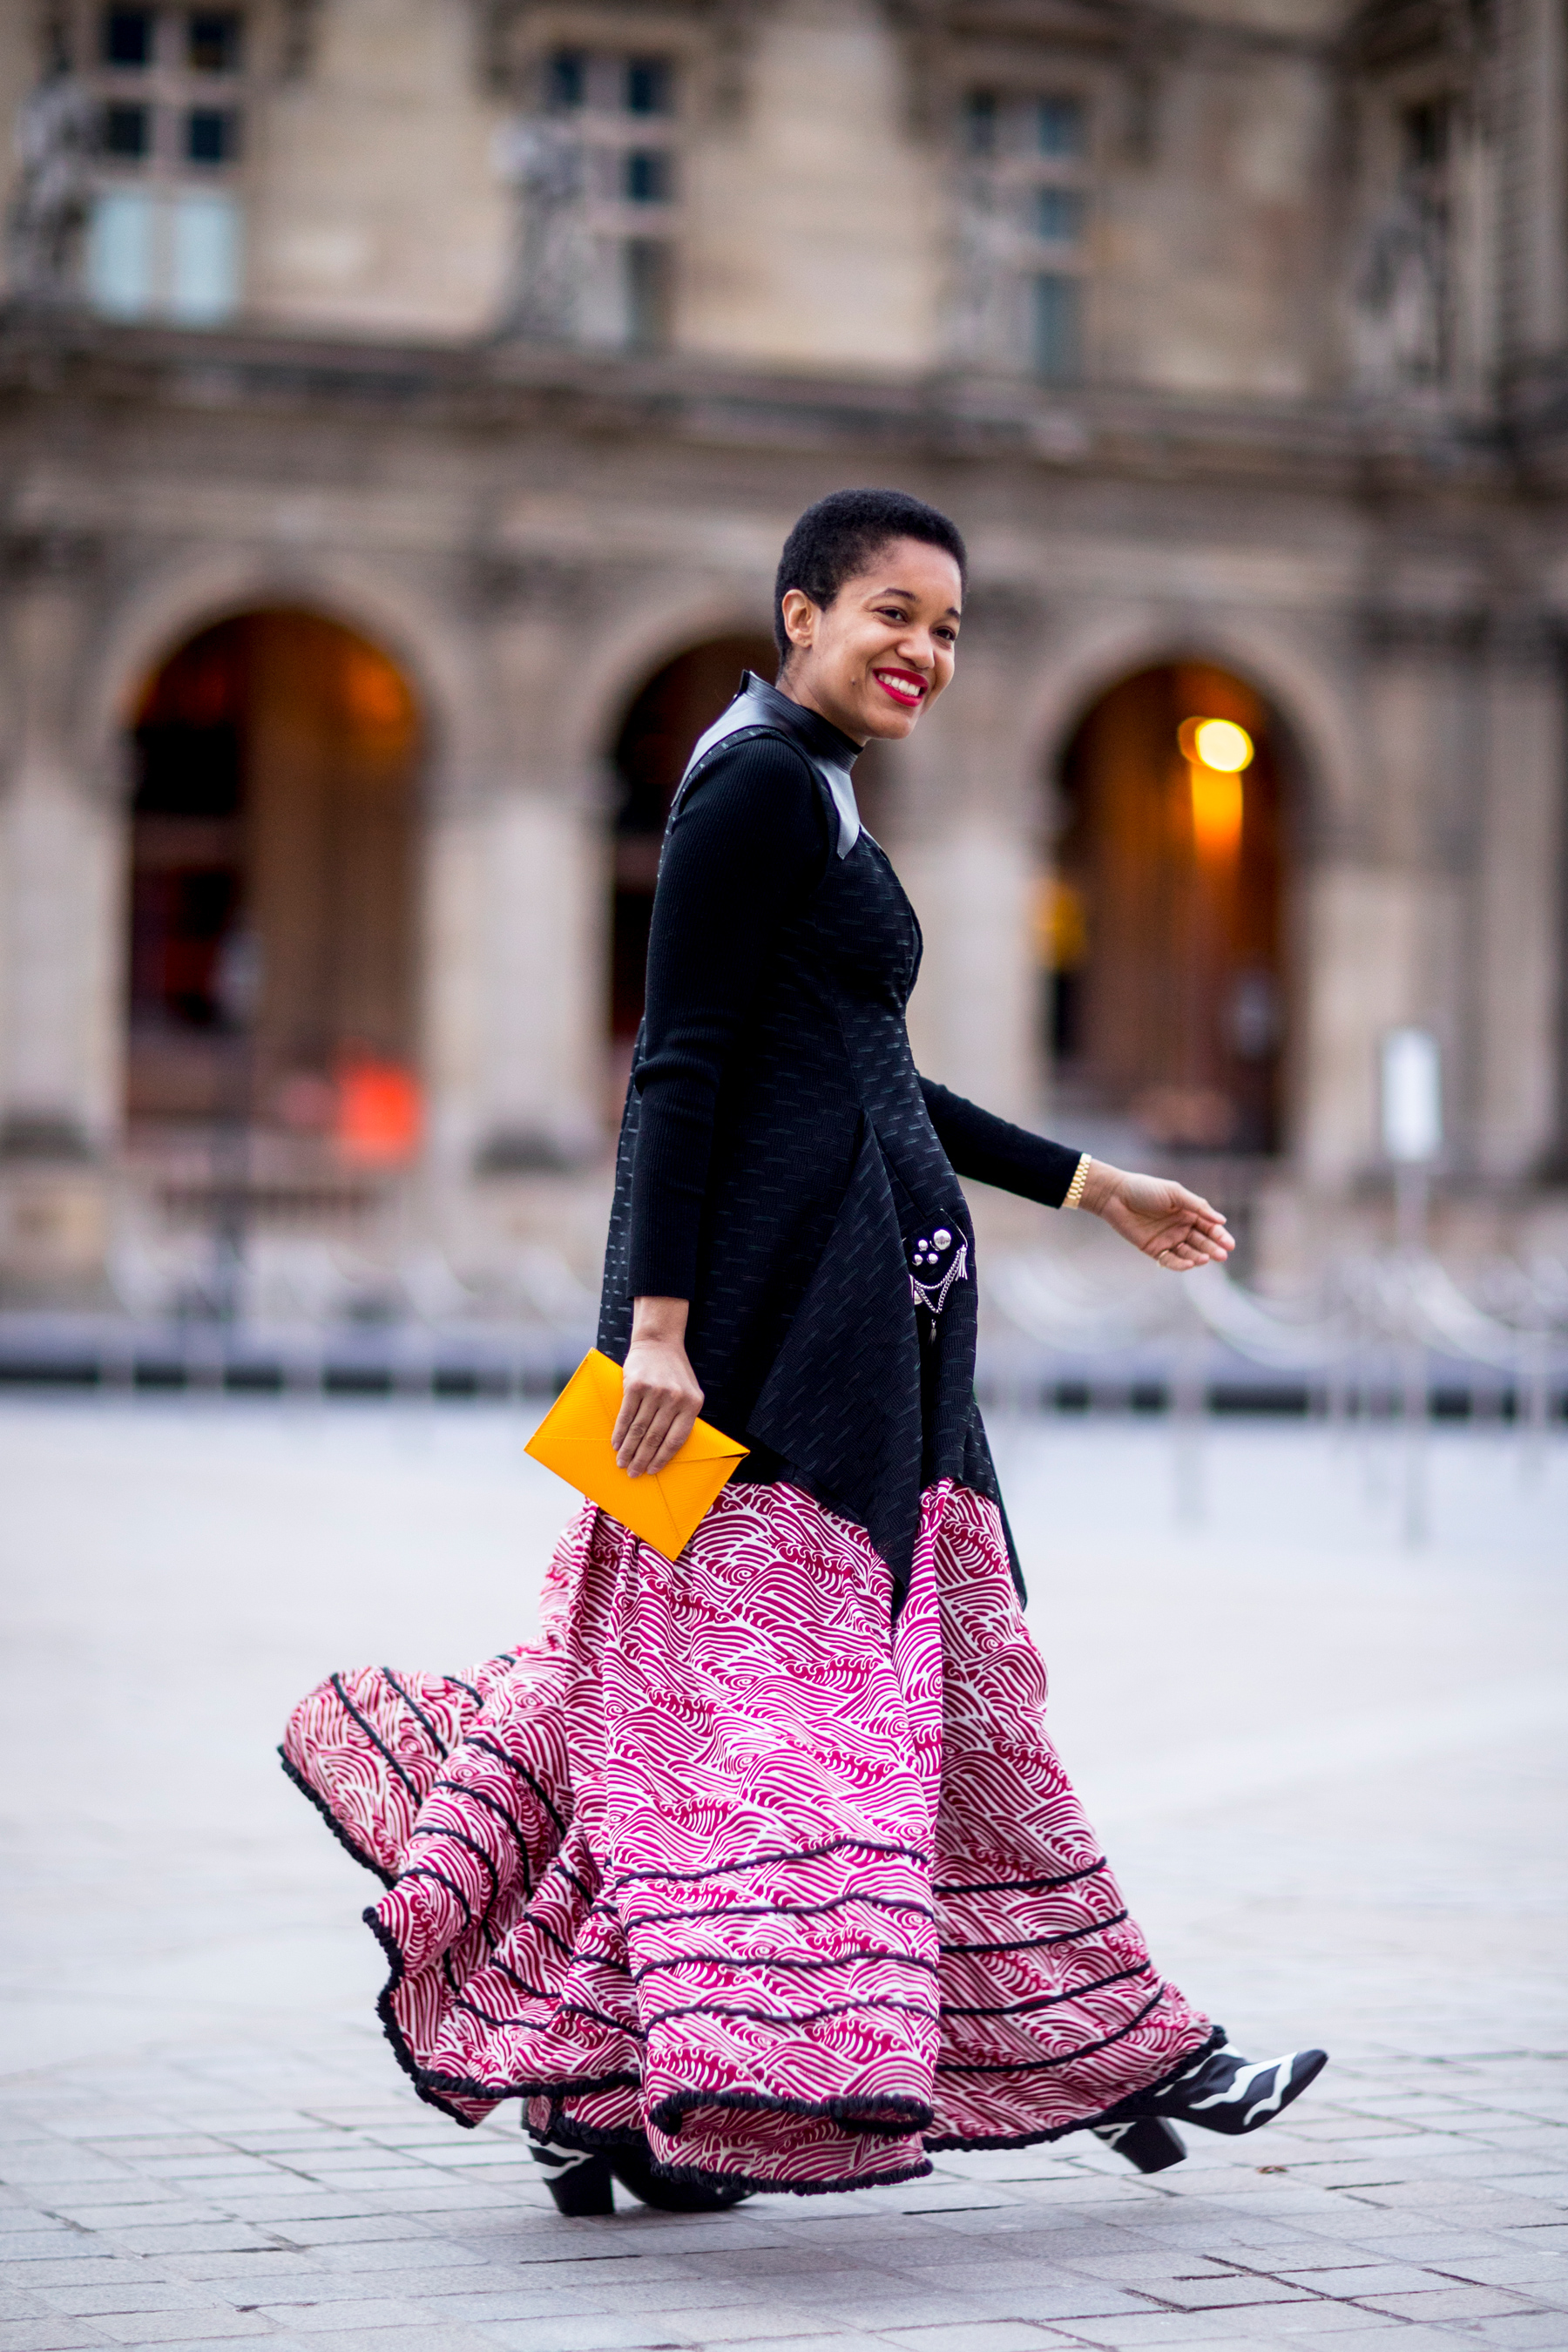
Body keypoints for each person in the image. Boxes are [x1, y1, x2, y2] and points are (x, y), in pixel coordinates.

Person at [282, 488, 1325, 2214]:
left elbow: (866, 1071)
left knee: (723, 1714)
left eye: (950, 628)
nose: (924, 651)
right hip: (756, 1362)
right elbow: (679, 1065)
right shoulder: (756, 780)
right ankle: (1120, 2052)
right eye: (891, 614)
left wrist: (1091, 1184)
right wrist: (658, 1341)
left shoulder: (810, 780)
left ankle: (613, 2094)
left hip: (847, 1360)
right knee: (783, 1722)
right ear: (801, 614)